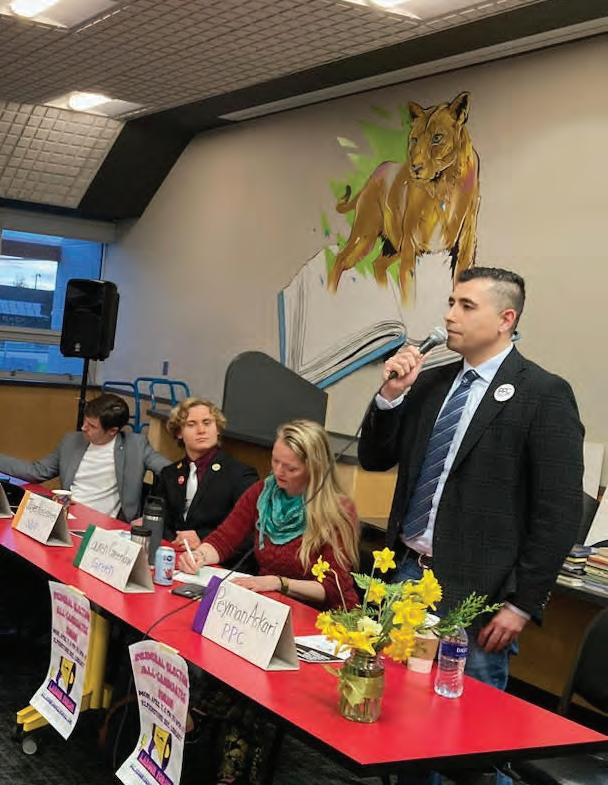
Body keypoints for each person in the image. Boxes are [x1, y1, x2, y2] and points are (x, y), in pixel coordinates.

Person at [358, 267, 583, 784]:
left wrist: (523, 604)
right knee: (400, 726)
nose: (449, 316)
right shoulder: (431, 383)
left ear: (506, 319)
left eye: (465, 306)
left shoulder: (542, 394)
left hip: (477, 596)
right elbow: (374, 458)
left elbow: (557, 513)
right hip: (408, 576)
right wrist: (390, 396)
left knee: (463, 746)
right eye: (450, 302)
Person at [178, 419, 360, 785]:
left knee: (247, 688)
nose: (278, 472)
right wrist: (200, 556)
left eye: (290, 467)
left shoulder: (335, 510)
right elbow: (225, 539)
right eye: (275, 462)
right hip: (269, 617)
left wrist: (279, 583)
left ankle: (204, 722)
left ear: (314, 468)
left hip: (318, 627)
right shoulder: (263, 493)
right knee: (243, 686)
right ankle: (229, 767)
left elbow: (336, 590)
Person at [0, 393, 170, 521]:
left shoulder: (136, 446)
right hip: (68, 516)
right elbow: (36, 471)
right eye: (84, 421)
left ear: (113, 431)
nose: (83, 428)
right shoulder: (71, 441)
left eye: (92, 426)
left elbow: (172, 474)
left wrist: (150, 518)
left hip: (105, 524)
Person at [154, 397, 258, 549]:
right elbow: (160, 521)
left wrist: (204, 540)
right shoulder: (169, 474)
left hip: (215, 556)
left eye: (207, 423)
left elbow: (249, 531)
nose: (201, 430)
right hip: (171, 553)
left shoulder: (241, 475)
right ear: (179, 433)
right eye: (191, 424)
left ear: (218, 429)